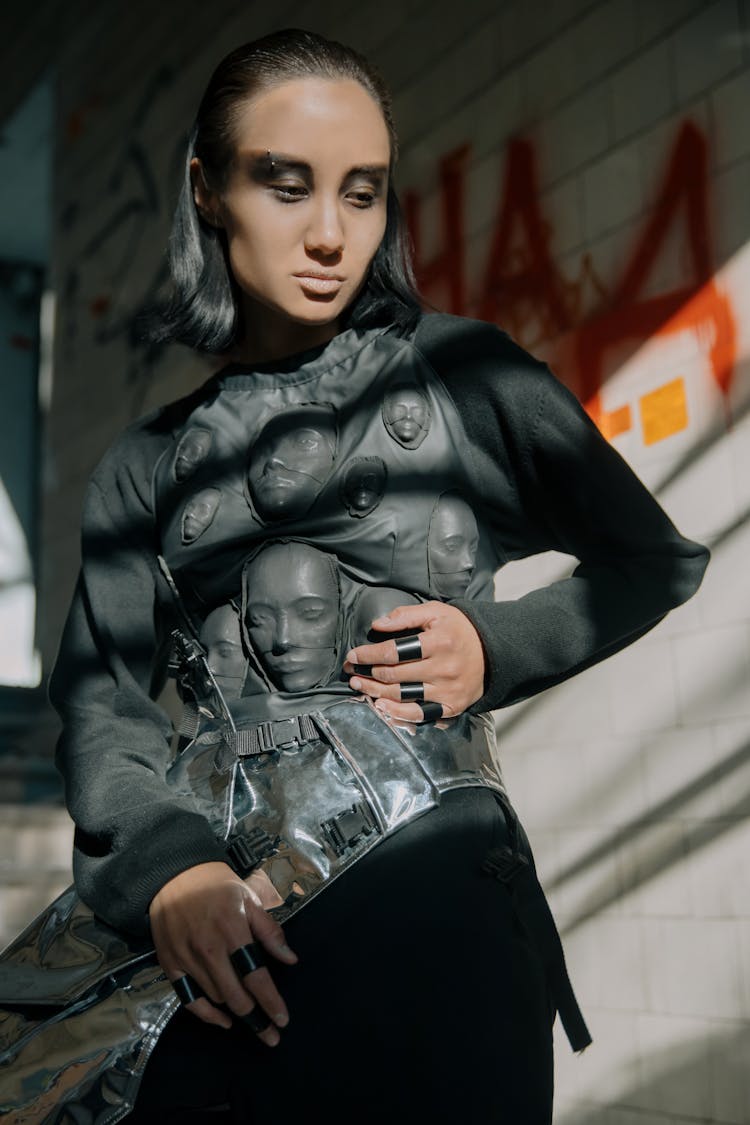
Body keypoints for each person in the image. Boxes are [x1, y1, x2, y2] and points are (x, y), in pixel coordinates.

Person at [38, 27, 708, 1125]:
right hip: (233, 940)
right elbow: (103, 705)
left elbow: (654, 562)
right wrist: (169, 873)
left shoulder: (468, 376)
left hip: (444, 927)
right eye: (286, 185)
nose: (329, 233)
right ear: (207, 190)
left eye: (363, 193)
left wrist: (497, 646)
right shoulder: (143, 466)